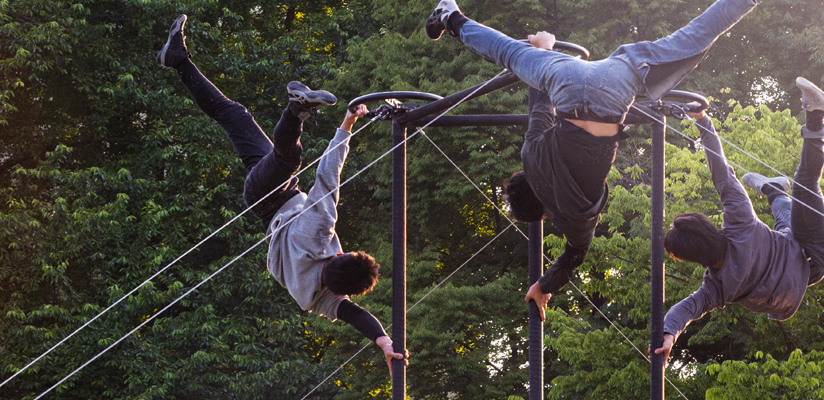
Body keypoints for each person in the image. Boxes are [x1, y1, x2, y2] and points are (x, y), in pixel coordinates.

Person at [424, 0, 760, 320]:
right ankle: (452, 17)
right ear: (522, 179)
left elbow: (574, 257)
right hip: (565, 80)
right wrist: (543, 50)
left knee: (694, 38)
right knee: (508, 53)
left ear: (543, 212)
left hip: (614, 90)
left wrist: (544, 286)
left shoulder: (574, 221)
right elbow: (540, 107)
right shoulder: (531, 157)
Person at [156, 15, 405, 373]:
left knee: (290, 157)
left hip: (268, 193)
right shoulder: (318, 298)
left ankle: (297, 109)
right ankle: (176, 57)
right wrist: (382, 340)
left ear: (339, 257)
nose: (344, 247)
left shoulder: (319, 234)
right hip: (269, 205)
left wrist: (347, 125)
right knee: (235, 115)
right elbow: (352, 313)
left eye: (346, 251)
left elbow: (328, 176)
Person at [651, 78, 824, 363]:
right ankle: (816, 116)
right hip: (814, 253)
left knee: (787, 222)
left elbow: (686, 308)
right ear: (707, 227)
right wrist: (702, 121)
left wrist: (669, 334)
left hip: (791, 247)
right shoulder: (738, 223)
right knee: (804, 186)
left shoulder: (717, 288)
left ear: (691, 258)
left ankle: (773, 189)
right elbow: (721, 174)